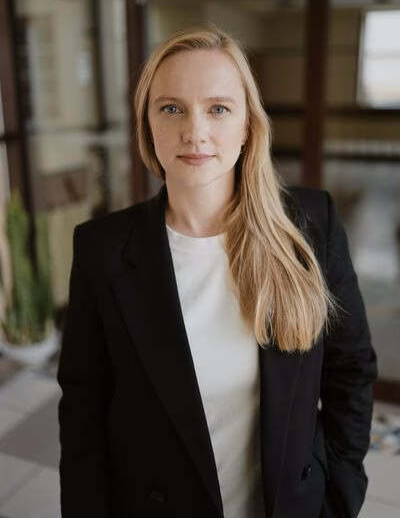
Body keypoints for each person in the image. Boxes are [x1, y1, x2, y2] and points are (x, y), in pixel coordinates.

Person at [58, 26, 377, 518]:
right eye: (171, 108)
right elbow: (84, 406)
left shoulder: (311, 225)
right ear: (147, 125)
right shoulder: (102, 248)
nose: (195, 131)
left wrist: (339, 495)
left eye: (218, 109)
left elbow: (350, 370)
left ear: (248, 125)